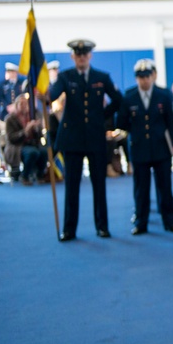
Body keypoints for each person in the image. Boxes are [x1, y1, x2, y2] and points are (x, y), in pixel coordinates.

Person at [49, 39, 123, 242]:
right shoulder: (66, 77)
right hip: (72, 139)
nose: (81, 58)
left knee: (99, 185)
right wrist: (44, 93)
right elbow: (53, 95)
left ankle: (102, 227)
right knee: (72, 186)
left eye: (85, 54)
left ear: (90, 56)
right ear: (73, 57)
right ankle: (69, 229)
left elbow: (118, 99)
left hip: (94, 137)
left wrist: (102, 116)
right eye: (77, 54)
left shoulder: (101, 77)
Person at [116, 59, 173, 235]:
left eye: (147, 76)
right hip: (139, 149)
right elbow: (121, 121)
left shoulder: (163, 95)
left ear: (152, 76)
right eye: (140, 77)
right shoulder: (129, 96)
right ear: (136, 78)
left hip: (160, 148)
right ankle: (141, 223)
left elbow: (170, 121)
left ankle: (170, 221)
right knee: (141, 190)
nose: (144, 80)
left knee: (165, 188)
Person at [3, 94, 45, 184]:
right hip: (17, 146)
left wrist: (37, 128)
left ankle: (39, 175)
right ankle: (25, 176)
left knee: (44, 152)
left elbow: (40, 135)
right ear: (16, 105)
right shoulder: (10, 119)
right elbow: (11, 138)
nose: (24, 106)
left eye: (25, 104)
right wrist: (25, 131)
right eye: (21, 104)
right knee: (32, 153)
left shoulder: (32, 116)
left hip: (32, 143)